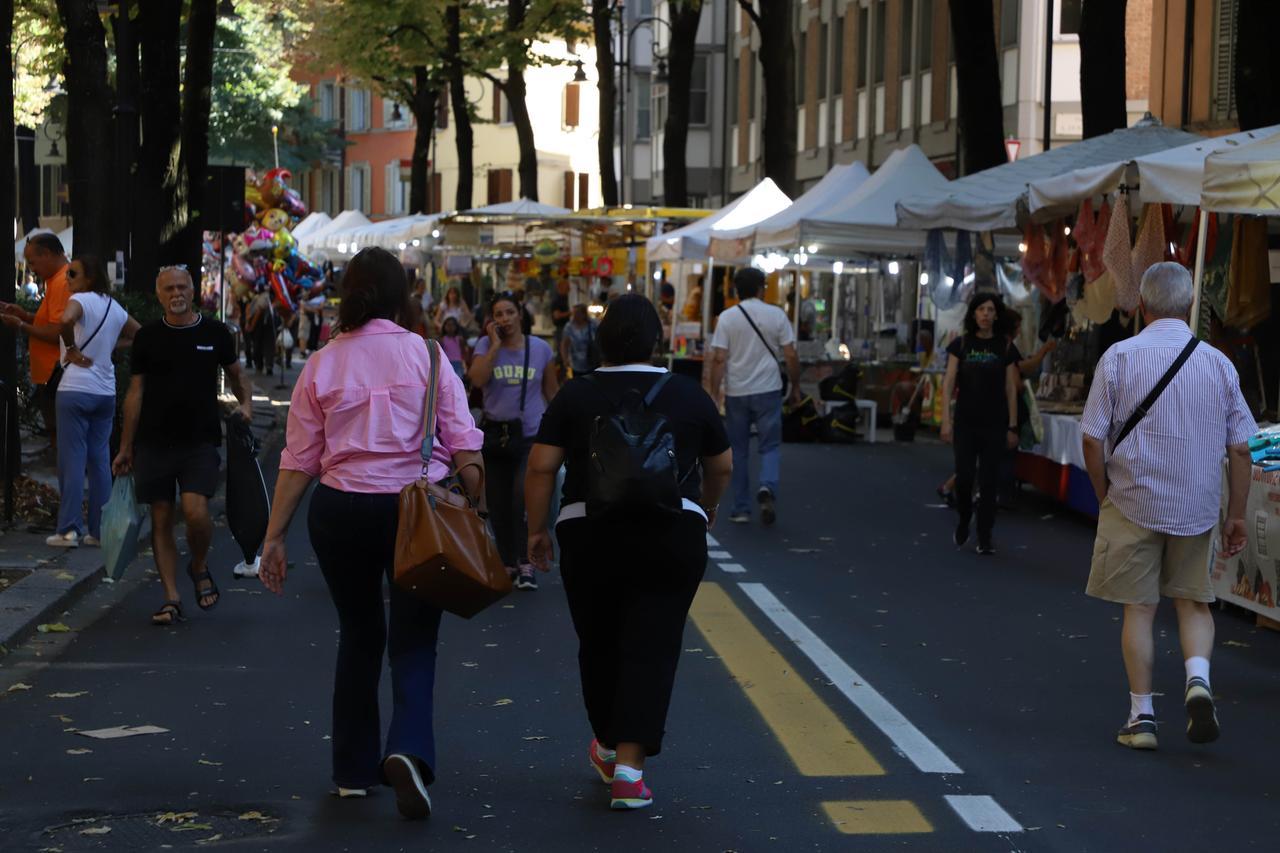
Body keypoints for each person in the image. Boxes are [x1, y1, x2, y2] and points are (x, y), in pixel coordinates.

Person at [257, 247, 482, 819]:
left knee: (358, 633)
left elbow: (299, 459)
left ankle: (353, 770)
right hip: (415, 510)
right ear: (401, 295)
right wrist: (475, 501)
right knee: (414, 638)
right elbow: (464, 442)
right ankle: (408, 749)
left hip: (340, 510)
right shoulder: (429, 355)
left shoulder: (322, 362)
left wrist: (274, 536)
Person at [525, 294, 732, 811]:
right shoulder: (687, 394)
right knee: (653, 643)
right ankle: (629, 771)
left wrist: (536, 530)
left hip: (588, 531)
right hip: (672, 533)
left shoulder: (577, 394)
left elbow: (542, 465)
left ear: (601, 341)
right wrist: (706, 507)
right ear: (656, 340)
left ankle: (606, 741)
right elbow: (722, 464)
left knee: (598, 640)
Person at [1080, 263, 1255, 751]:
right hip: (1195, 504)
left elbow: (1092, 438)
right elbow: (1242, 448)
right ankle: (1198, 679)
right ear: (1191, 305)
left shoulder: (1119, 356)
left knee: (1140, 608)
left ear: (1142, 305)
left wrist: (1103, 493)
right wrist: (1236, 515)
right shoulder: (1218, 364)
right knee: (1194, 603)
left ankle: (1142, 718)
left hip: (1131, 498)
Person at [112, 266, 255, 626]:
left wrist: (247, 405)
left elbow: (237, 375)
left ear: (193, 291)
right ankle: (171, 597)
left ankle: (199, 563)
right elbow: (135, 393)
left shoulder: (215, 332)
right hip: (154, 442)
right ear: (159, 294)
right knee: (161, 518)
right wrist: (126, 446)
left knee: (195, 512)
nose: (176, 293)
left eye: (182, 287)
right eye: (169, 289)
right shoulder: (147, 337)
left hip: (199, 441)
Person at [43, 257, 140, 547]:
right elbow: (140, 334)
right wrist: (109, 346)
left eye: (73, 273)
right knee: (99, 460)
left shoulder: (80, 300)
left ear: (89, 279)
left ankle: (68, 530)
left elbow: (65, 321)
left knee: (72, 460)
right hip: (105, 392)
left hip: (74, 388)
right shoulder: (114, 307)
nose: (67, 278)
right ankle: (99, 531)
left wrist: (72, 349)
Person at [468, 292, 558, 590]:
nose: (505, 319)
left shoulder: (540, 349)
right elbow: (477, 379)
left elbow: (552, 392)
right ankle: (507, 562)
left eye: (509, 312)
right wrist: (494, 346)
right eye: (499, 314)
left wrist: (562, 433)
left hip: (530, 436)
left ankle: (526, 562)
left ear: (520, 314)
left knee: (523, 498)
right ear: (492, 320)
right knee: (498, 503)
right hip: (496, 435)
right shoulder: (484, 346)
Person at [706, 268, 801, 526]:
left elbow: (719, 359)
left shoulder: (727, 318)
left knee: (738, 450)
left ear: (737, 290)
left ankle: (740, 508)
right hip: (768, 389)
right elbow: (790, 354)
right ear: (761, 288)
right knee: (770, 445)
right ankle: (767, 485)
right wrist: (796, 385)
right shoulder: (777, 315)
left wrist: (714, 393)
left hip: (737, 391)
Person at [939, 293, 1019, 554]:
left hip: (994, 424)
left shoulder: (1004, 347)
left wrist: (1013, 425)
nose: (985, 314)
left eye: (990, 310)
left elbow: (1010, 388)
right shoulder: (961, 345)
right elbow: (948, 383)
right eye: (981, 309)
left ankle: (985, 535)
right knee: (964, 477)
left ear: (996, 315)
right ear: (973, 314)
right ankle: (964, 517)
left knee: (988, 482)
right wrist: (946, 421)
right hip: (965, 423)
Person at [3, 233, 72, 441]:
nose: (31, 269)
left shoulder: (63, 282)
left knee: (62, 437)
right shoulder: (55, 280)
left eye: (32, 262)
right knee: (57, 434)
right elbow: (51, 322)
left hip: (57, 376)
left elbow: (59, 332)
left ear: (47, 254)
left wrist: (21, 325)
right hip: (51, 376)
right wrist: (26, 316)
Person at [559, 303, 599, 377]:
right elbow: (564, 344)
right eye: (573, 313)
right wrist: (565, 359)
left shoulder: (593, 324)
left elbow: (600, 339)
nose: (574, 316)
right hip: (576, 364)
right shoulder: (569, 326)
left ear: (583, 314)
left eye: (577, 314)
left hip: (592, 362)